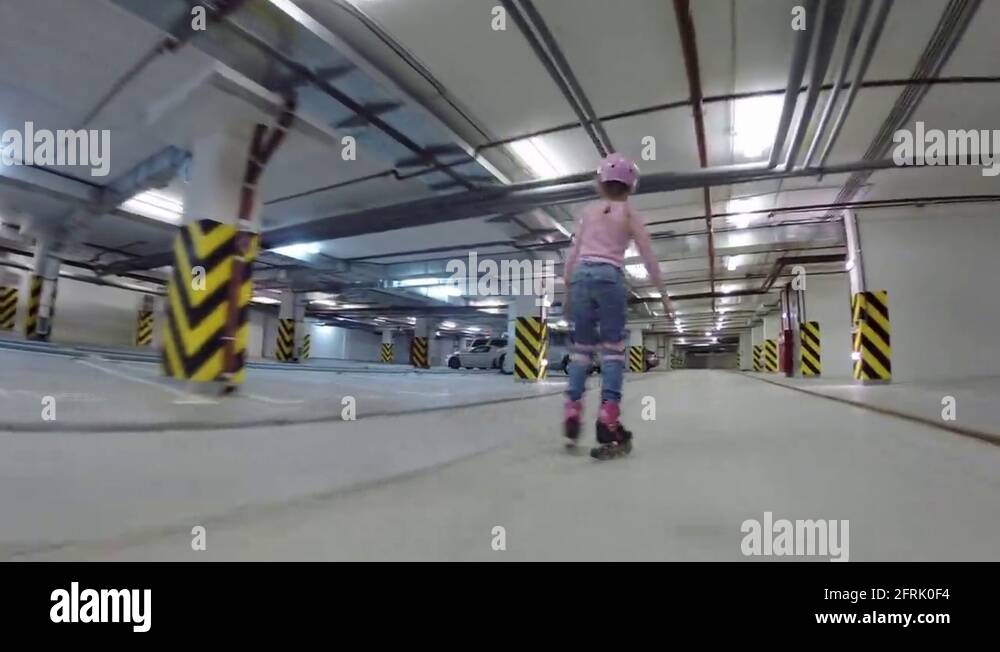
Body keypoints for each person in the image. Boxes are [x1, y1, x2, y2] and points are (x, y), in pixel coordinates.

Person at [561, 153, 673, 459]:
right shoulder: (629, 215)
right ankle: (608, 420)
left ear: (600, 183)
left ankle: (572, 409)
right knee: (612, 351)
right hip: (609, 278)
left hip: (581, 278)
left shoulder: (588, 212)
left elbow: (572, 256)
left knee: (582, 350)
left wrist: (568, 292)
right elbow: (649, 257)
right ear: (630, 186)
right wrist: (664, 297)